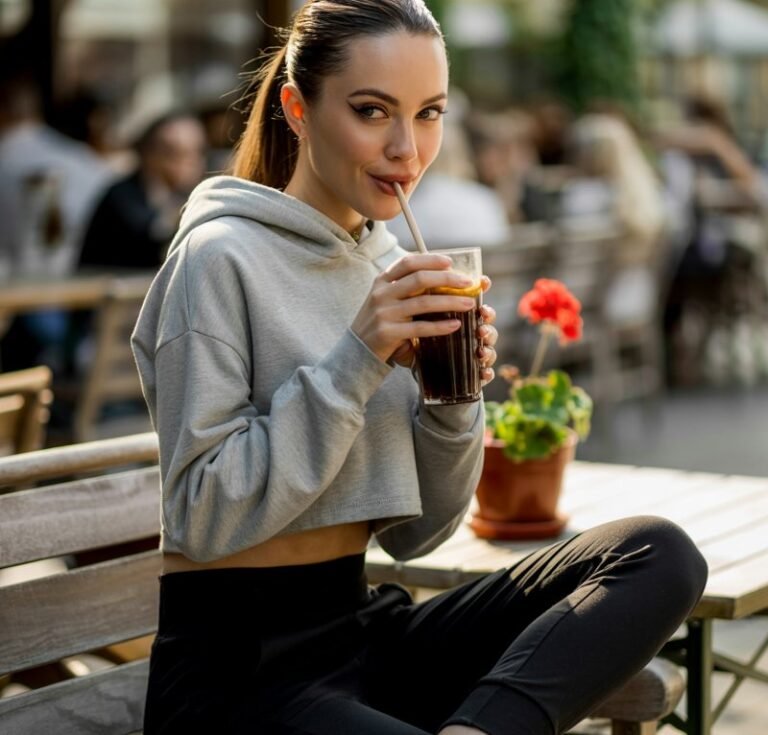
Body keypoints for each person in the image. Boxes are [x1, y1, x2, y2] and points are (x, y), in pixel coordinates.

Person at [131, 2, 708, 734]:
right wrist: (359, 356)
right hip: (236, 675)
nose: (407, 148)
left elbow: (418, 535)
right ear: (297, 109)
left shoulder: (388, 264)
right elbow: (204, 516)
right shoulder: (218, 258)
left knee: (658, 553)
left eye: (429, 113)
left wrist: (454, 399)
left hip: (361, 630)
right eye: (372, 111)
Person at [78, 110, 207, 270]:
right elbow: (151, 232)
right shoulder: (122, 195)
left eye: (197, 152)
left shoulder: (188, 193)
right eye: (175, 153)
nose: (191, 162)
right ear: (149, 153)